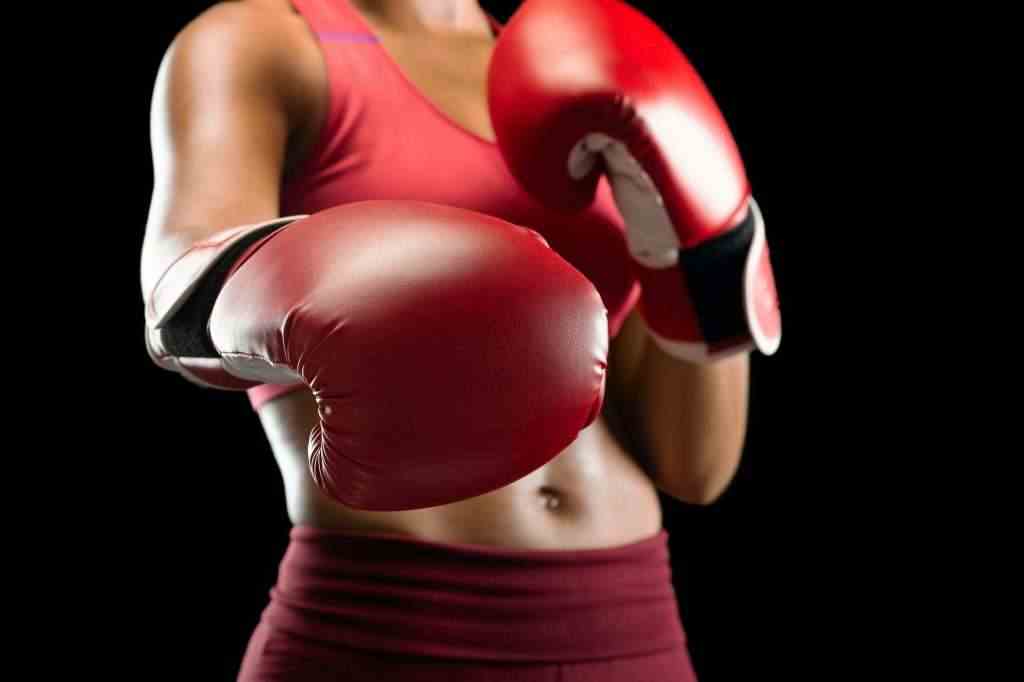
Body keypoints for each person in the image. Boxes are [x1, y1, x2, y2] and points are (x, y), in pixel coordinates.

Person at [140, 0, 780, 679]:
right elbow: (180, 304)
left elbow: (697, 467)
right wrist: (363, 286)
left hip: (630, 622)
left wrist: (695, 235)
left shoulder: (584, 59)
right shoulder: (269, 41)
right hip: (387, 623)